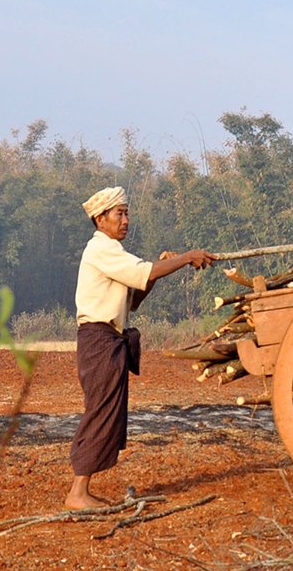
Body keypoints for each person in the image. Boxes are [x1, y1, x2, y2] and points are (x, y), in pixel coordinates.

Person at [66, 186, 216, 509]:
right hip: (99, 342)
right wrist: (184, 258)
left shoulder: (112, 254)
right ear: (100, 218)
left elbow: (135, 297)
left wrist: (164, 269)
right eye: (119, 214)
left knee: (106, 411)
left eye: (126, 213)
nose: (125, 220)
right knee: (100, 411)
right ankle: (78, 493)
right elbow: (141, 271)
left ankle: (81, 490)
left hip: (107, 341)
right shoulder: (101, 250)